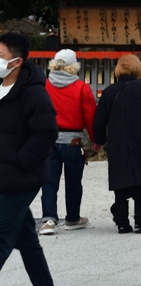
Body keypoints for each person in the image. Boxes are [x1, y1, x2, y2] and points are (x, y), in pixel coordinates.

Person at [0, 32, 57, 286]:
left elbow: (46, 133)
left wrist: (20, 161)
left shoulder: (33, 93)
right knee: (27, 242)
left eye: (0, 56)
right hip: (4, 176)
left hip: (22, 177)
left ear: (17, 61)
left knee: (1, 235)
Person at [93, 54, 141, 234]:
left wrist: (98, 141)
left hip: (117, 141)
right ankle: (140, 221)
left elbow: (99, 121)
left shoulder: (109, 92)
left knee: (121, 181)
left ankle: (122, 222)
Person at [40, 48, 96, 235]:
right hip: (74, 141)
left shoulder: (45, 86)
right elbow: (90, 117)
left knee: (48, 182)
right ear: (74, 66)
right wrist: (96, 140)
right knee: (73, 182)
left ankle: (48, 219)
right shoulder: (82, 87)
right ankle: (72, 218)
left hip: (49, 140)